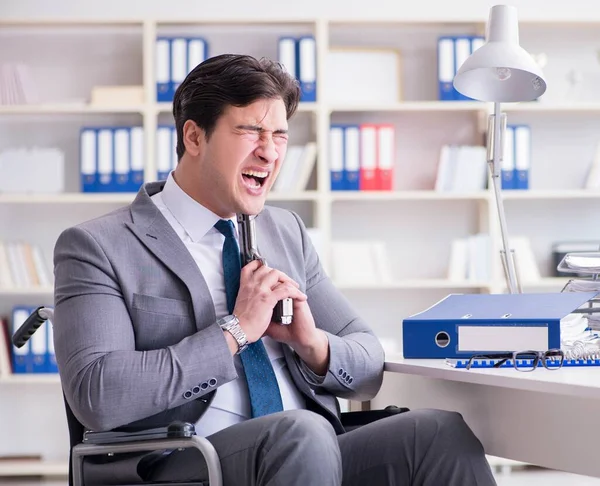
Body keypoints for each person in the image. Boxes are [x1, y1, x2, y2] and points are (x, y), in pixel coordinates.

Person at [53, 53, 497, 486]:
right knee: (300, 432)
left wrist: (312, 344)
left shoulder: (285, 231)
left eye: (280, 135)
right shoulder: (99, 245)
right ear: (194, 137)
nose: (270, 152)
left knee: (439, 433)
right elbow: (99, 394)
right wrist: (236, 330)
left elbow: (368, 363)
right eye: (251, 131)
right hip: (186, 461)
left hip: (312, 448)